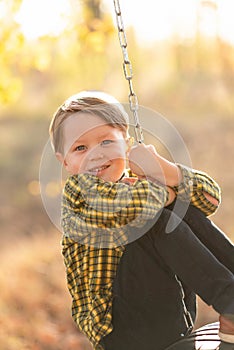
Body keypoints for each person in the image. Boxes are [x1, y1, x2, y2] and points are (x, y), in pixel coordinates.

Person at [49, 91, 234, 350]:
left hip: (167, 320)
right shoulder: (80, 192)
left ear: (126, 145)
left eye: (105, 142)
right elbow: (135, 206)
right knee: (155, 219)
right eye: (81, 148)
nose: (96, 155)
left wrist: (165, 168)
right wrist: (168, 190)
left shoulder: (140, 183)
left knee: (184, 212)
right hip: (120, 329)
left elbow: (209, 199)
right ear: (65, 162)